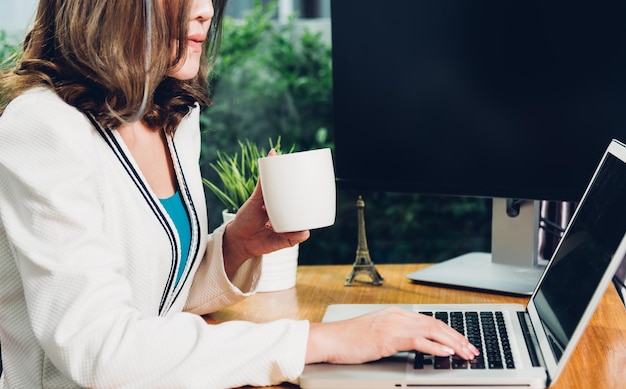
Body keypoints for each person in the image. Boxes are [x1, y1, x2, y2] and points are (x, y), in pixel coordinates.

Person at [0, 0, 480, 387]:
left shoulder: (172, 117)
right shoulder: (43, 127)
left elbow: (152, 301)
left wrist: (234, 246)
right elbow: (100, 351)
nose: (207, 9)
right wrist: (320, 340)